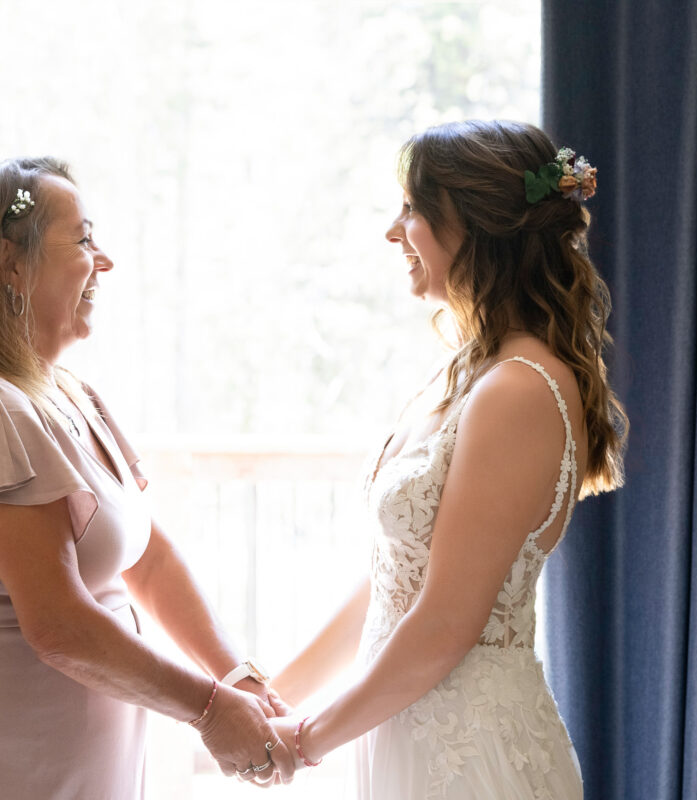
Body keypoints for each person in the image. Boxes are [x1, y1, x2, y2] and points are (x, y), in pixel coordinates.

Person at [0, 157, 292, 798]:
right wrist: (209, 710)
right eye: (85, 239)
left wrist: (236, 676)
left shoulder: (67, 393)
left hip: (78, 763)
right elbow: (60, 624)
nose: (106, 261)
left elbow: (146, 558)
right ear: (11, 265)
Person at [265, 120, 627, 799]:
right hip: (407, 732)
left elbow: (442, 626)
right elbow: (390, 585)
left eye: (411, 208)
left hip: (471, 754)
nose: (393, 230)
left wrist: (305, 742)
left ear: (473, 226)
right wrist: (275, 698)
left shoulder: (518, 389)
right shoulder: (465, 373)